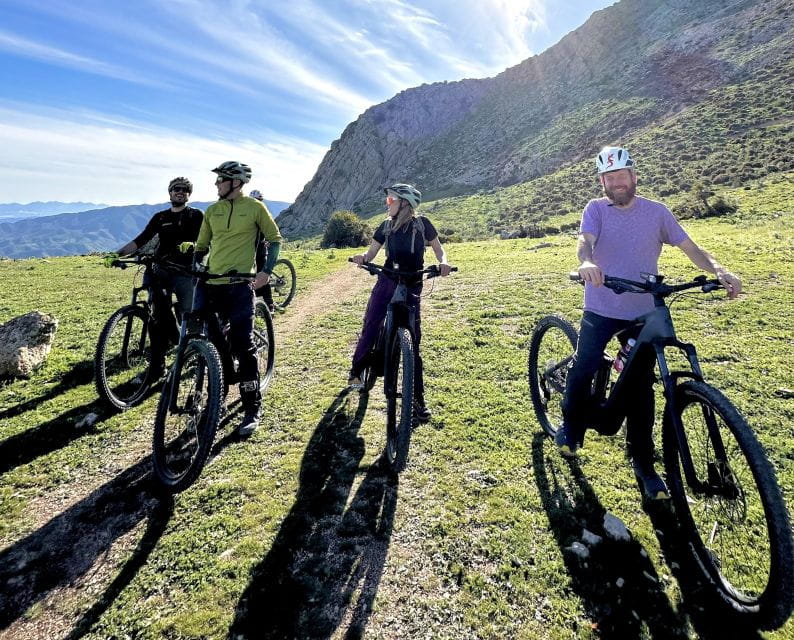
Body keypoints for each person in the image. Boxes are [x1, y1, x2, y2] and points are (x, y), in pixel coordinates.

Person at [556, 146, 742, 499]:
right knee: (585, 363)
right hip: (602, 305)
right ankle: (571, 424)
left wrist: (719, 270)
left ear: (634, 176)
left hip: (643, 311)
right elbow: (585, 241)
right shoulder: (596, 209)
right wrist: (586, 262)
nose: (617, 183)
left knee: (641, 387)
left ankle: (643, 462)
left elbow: (690, 247)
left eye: (621, 176)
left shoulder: (657, 212)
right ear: (602, 182)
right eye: (609, 178)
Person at [188, 162, 282, 437]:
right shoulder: (212, 211)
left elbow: (275, 239)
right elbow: (202, 246)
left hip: (240, 285)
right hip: (212, 285)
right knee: (211, 343)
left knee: (243, 344)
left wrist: (266, 272)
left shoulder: (255, 208)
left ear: (236, 182)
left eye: (221, 180)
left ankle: (252, 406)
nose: (216, 184)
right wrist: (196, 263)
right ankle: (218, 392)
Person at [349, 183, 451, 422]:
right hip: (387, 281)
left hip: (413, 283)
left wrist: (444, 262)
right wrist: (363, 258)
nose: (387, 204)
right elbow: (371, 253)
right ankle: (356, 370)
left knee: (414, 341)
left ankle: (417, 399)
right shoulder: (385, 226)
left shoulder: (422, 224)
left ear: (404, 203)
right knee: (372, 323)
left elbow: (439, 250)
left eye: (390, 200)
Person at [103, 176, 204, 378]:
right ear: (170, 192)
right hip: (160, 270)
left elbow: (204, 240)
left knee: (191, 314)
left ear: (189, 194)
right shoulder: (160, 217)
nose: (180, 192)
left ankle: (198, 354)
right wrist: (117, 254)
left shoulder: (195, 215)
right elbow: (141, 240)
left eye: (185, 189)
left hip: (184, 271)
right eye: (176, 188)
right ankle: (158, 366)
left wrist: (194, 246)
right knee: (156, 318)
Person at [249, 189, 276, 312]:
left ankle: (270, 304)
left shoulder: (264, 214)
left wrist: (269, 240)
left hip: (260, 251)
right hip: (248, 251)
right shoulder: (248, 214)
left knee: (262, 275)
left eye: (258, 200)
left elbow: (271, 230)